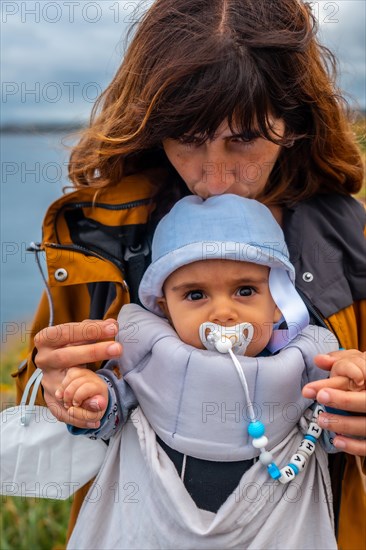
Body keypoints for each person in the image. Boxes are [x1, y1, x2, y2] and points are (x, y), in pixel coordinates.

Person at [13, 0, 365, 547]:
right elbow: (40, 407)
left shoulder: (350, 241)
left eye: (244, 138)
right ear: (155, 130)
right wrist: (60, 392)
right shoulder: (98, 237)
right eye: (190, 139)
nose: (216, 177)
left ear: (292, 122)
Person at [58, 195, 363, 549]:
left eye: (245, 290)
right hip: (157, 519)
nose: (222, 312)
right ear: (164, 308)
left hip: (272, 524)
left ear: (279, 302)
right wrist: (91, 397)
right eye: (195, 294)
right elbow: (113, 414)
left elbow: (328, 436)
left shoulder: (306, 365)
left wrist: (347, 391)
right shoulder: (150, 353)